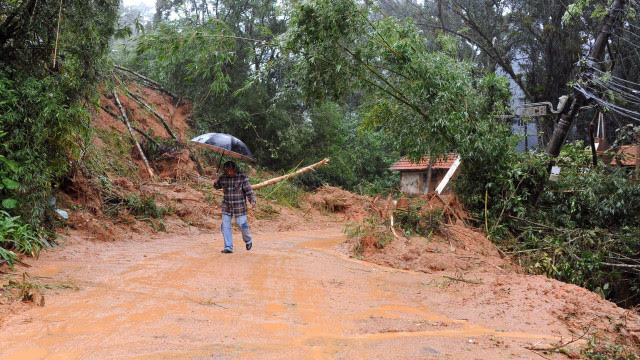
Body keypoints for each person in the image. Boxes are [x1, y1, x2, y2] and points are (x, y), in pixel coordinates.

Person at [213, 160, 256, 253]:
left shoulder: (242, 177)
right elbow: (217, 186)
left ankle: (248, 240)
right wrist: (215, 180)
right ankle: (228, 247)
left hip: (239, 206)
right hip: (227, 205)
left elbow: (249, 190)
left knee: (241, 224)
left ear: (234, 170)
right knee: (225, 225)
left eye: (231, 171)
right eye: (227, 171)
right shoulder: (223, 177)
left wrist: (252, 201)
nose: (229, 173)